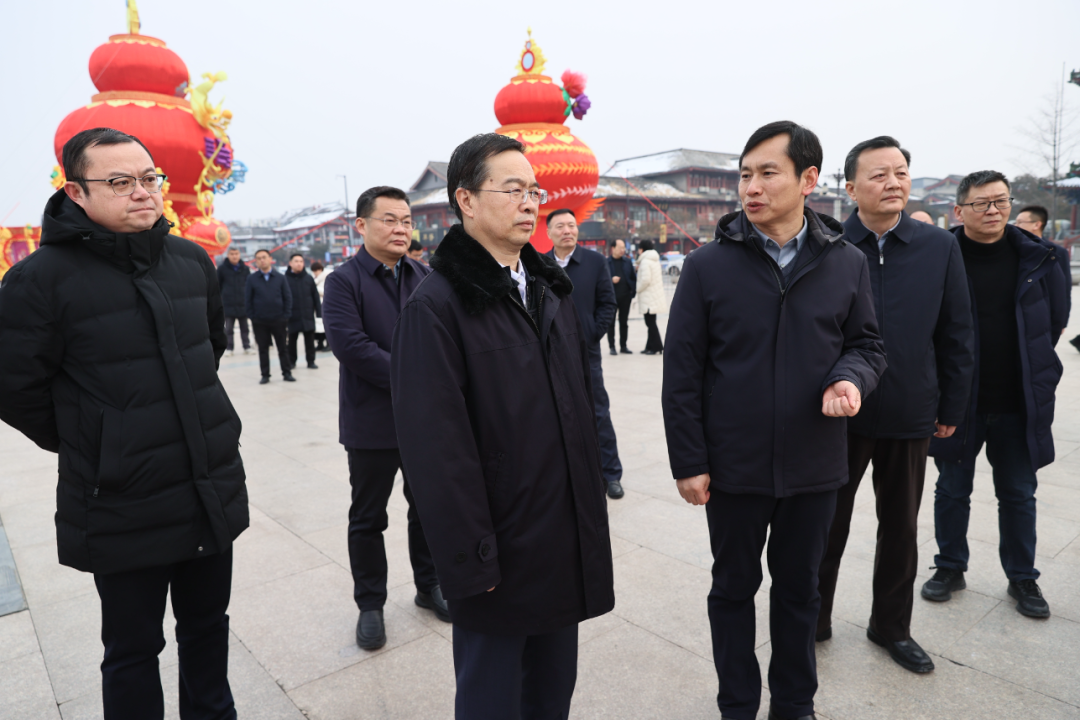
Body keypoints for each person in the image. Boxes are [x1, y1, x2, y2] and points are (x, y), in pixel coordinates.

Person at [0, 127, 248, 720]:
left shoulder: (190, 261)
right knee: (133, 647)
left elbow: (207, 349)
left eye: (148, 178)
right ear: (76, 192)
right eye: (119, 182)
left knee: (209, 628)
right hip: (119, 498)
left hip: (206, 486)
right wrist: (97, 440)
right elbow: (14, 387)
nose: (142, 192)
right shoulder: (38, 281)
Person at [662, 121, 886, 720]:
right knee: (732, 589)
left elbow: (867, 345)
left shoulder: (847, 264)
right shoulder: (709, 265)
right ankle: (736, 702)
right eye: (744, 174)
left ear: (808, 180)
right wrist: (690, 460)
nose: (751, 187)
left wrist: (850, 379)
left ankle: (794, 703)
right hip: (733, 468)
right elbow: (681, 372)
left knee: (798, 591)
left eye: (767, 173)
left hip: (814, 464)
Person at [390, 133, 614, 720]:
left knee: (550, 690)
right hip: (499, 548)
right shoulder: (437, 306)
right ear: (465, 200)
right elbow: (437, 454)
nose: (529, 202)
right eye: (511, 189)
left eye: (533, 189)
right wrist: (471, 559)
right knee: (493, 697)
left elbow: (577, 411)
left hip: (559, 535)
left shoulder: (547, 289)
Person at [816, 136, 974, 674]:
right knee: (824, 523)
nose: (893, 183)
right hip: (839, 412)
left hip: (910, 409)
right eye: (879, 174)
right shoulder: (828, 243)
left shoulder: (938, 247)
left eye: (901, 172)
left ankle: (891, 627)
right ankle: (811, 619)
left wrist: (951, 404)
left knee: (901, 527)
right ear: (851, 186)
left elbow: (957, 331)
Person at [924, 171, 1068, 619]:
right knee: (951, 490)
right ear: (959, 210)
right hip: (958, 401)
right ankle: (950, 566)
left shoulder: (1042, 257)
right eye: (982, 203)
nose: (993, 210)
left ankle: (1022, 576)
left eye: (1001, 201)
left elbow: (1055, 323)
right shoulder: (938, 257)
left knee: (1020, 494)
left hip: (1018, 401)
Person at [322, 186, 446, 650]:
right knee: (368, 517)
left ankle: (429, 585)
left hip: (427, 422)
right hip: (372, 423)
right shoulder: (343, 281)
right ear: (362, 225)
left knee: (429, 509)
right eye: (389, 220)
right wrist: (416, 376)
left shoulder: (425, 276)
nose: (400, 229)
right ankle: (370, 603)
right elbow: (351, 347)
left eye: (406, 221)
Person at [546, 208, 624, 499]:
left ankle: (611, 474)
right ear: (549, 232)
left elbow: (608, 303)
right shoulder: (540, 265)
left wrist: (592, 334)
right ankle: (567, 476)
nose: (567, 230)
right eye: (560, 226)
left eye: (572, 225)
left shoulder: (594, 261)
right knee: (555, 414)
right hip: (549, 353)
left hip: (586, 352)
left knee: (598, 412)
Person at [1015, 204, 1072, 334]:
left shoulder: (1057, 252)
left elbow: (1064, 289)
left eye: (1020, 222)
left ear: (1036, 225)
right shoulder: (1013, 249)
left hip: (1043, 315)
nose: (1016, 226)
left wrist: (1062, 322)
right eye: (1015, 222)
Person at [245, 249, 294, 384]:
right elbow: (248, 299)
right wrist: (252, 316)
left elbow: (287, 297)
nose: (262, 260)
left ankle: (287, 372)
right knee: (263, 349)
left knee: (282, 348)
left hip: (279, 319)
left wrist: (286, 315)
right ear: (256, 261)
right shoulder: (252, 279)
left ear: (270, 259)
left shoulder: (280, 277)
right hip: (259, 321)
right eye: (259, 258)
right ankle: (265, 374)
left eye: (264, 257)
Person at [284, 252, 322, 370]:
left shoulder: (308, 278)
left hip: (307, 315)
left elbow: (315, 296)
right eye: (296, 261)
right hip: (292, 316)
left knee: (309, 340)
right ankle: (292, 362)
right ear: (290, 263)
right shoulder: (284, 279)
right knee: (291, 342)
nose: (299, 264)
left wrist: (319, 313)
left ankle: (311, 361)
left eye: (301, 261)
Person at [216, 245, 252, 356]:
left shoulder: (245, 268)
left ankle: (247, 346)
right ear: (228, 255)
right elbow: (218, 285)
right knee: (229, 329)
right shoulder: (222, 268)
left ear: (239, 255)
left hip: (242, 303)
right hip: (228, 303)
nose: (234, 256)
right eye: (232, 254)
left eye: (236, 254)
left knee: (245, 328)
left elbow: (249, 285)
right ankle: (229, 348)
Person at [635, 238, 666, 354]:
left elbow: (645, 280)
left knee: (650, 324)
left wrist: (637, 289)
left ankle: (657, 347)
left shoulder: (645, 262)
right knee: (651, 323)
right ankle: (649, 346)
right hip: (654, 297)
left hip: (648, 297)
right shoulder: (653, 260)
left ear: (642, 249)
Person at [607, 238, 636, 355]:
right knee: (611, 323)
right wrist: (610, 280)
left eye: (624, 248)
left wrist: (632, 293)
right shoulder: (606, 262)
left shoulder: (627, 262)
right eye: (620, 248)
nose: (622, 250)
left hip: (625, 297)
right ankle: (612, 347)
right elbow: (601, 280)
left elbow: (633, 278)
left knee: (624, 323)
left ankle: (623, 346)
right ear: (613, 248)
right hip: (611, 298)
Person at [311, 260, 331, 351]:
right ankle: (320, 343)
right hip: (316, 306)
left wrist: (316, 290)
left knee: (326, 326)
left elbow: (328, 292)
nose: (315, 273)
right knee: (318, 328)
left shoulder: (328, 276)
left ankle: (329, 344)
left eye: (316, 270)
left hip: (325, 305)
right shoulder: (315, 279)